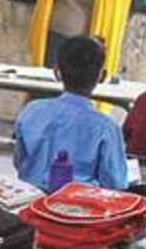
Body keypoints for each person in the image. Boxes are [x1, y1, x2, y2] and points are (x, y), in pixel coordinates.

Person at [14, 36, 128, 190]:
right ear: (102, 76)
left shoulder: (32, 110)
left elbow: (19, 161)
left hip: (29, 198)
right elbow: (115, 183)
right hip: (78, 203)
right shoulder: (107, 128)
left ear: (56, 72)